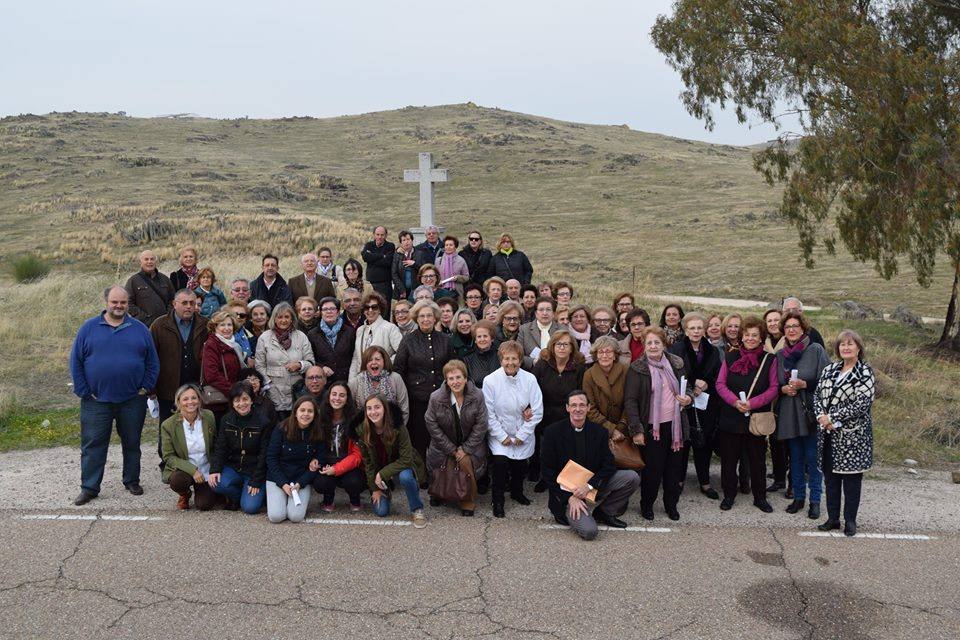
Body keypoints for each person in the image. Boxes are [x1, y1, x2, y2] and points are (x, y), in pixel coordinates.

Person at [70, 285, 159, 505]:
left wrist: (145, 387)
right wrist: (84, 391)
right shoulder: (88, 328)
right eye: (114, 302)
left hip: (131, 400)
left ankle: (131, 480)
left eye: (123, 302)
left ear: (128, 303)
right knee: (93, 445)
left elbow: (152, 362)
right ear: (106, 302)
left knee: (132, 442)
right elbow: (76, 362)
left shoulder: (139, 329)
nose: (119, 306)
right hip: (96, 401)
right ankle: (89, 487)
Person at [541, 391, 641, 538]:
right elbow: (547, 472)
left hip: (590, 486)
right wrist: (570, 497)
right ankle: (571, 511)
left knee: (632, 477)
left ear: (588, 408)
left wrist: (588, 486)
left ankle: (605, 512)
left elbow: (608, 465)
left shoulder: (599, 432)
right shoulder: (552, 432)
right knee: (589, 532)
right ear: (567, 408)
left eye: (582, 405)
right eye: (574, 405)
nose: (578, 409)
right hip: (567, 493)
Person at [624, 327, 693, 521]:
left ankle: (671, 505)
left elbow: (687, 387)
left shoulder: (676, 363)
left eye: (657, 342)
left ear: (664, 344)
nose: (653, 346)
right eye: (649, 343)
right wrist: (636, 430)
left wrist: (688, 397)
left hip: (676, 426)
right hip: (651, 428)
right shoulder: (637, 368)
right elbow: (630, 401)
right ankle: (647, 505)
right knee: (652, 471)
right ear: (644, 346)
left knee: (673, 470)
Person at [715, 316, 779, 512]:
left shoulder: (770, 359)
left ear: (761, 338)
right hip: (731, 416)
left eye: (755, 335)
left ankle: (760, 497)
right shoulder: (730, 356)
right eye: (747, 335)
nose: (750, 338)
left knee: (757, 460)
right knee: (729, 460)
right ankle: (729, 495)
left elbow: (774, 388)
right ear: (741, 336)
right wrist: (735, 402)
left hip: (755, 417)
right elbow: (720, 384)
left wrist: (751, 403)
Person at [814, 330, 874, 537]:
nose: (846, 348)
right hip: (828, 435)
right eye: (842, 345)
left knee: (851, 481)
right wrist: (822, 416)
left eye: (850, 344)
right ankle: (832, 519)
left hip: (852, 437)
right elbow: (817, 396)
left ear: (858, 347)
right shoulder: (830, 369)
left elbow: (862, 404)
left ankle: (850, 520)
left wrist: (833, 417)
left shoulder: (864, 372)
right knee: (830, 480)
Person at [776, 311, 830, 519]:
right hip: (790, 411)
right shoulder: (780, 355)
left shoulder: (815, 350)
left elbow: (827, 381)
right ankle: (798, 498)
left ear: (803, 328)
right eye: (787, 327)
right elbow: (777, 382)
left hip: (810, 411)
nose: (791, 330)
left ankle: (815, 501)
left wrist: (805, 385)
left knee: (813, 458)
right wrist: (783, 390)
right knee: (796, 458)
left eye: (795, 326)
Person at [483, 340, 543, 518]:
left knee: (519, 466)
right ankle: (498, 499)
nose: (510, 362)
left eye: (514, 358)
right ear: (501, 360)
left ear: (520, 360)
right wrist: (502, 436)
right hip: (499, 432)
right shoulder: (490, 380)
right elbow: (488, 413)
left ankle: (517, 492)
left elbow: (538, 410)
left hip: (522, 431)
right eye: (506, 359)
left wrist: (522, 435)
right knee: (500, 466)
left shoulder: (530, 379)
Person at [668, 312, 722, 499]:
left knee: (703, 444)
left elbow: (718, 375)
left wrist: (706, 383)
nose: (696, 331)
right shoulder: (676, 348)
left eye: (700, 327)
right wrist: (691, 389)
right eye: (692, 328)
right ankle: (679, 480)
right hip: (684, 403)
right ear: (686, 330)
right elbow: (673, 374)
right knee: (683, 443)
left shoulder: (713, 351)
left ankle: (705, 482)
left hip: (706, 403)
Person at [425, 360, 489, 516]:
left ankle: (467, 500)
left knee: (465, 461)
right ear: (446, 381)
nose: (455, 382)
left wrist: (465, 449)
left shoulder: (477, 395)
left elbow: (481, 425)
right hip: (443, 445)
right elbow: (431, 423)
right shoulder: (435, 398)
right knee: (442, 465)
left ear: (465, 378)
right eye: (451, 378)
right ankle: (438, 493)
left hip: (469, 445)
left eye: (458, 377)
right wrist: (451, 449)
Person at [355, 394, 427, 527]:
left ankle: (417, 509)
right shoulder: (362, 430)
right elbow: (368, 464)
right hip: (379, 471)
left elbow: (406, 459)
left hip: (401, 466)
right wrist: (374, 488)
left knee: (406, 477)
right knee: (381, 512)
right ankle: (385, 491)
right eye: (369, 409)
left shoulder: (398, 426)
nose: (373, 412)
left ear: (385, 409)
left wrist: (382, 474)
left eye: (377, 407)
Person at [393, 300, 451, 460]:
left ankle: (441, 474)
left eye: (429, 316)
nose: (425, 319)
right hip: (417, 399)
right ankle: (421, 474)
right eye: (422, 316)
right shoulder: (408, 340)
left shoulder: (445, 340)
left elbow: (452, 367)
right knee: (419, 438)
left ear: (435, 318)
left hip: (441, 398)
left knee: (441, 436)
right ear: (416, 319)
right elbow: (398, 369)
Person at [529, 330, 586, 491]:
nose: (561, 347)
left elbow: (581, 393)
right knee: (546, 448)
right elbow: (532, 389)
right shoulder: (543, 364)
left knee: (565, 448)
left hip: (568, 415)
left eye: (565, 344)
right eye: (558, 344)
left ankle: (564, 478)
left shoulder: (579, 368)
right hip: (544, 413)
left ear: (571, 348)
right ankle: (546, 478)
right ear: (552, 347)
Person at [149, 289, 207, 441]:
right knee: (168, 427)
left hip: (196, 386)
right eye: (184, 303)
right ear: (174, 304)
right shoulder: (159, 325)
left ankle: (194, 462)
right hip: (168, 387)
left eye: (192, 303)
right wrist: (152, 387)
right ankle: (167, 462)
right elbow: (150, 357)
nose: (189, 307)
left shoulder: (205, 324)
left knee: (196, 427)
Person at [208, 381, 273, 514]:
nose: (241, 404)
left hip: (254, 470)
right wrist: (215, 469)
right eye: (237, 400)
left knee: (250, 508)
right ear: (232, 403)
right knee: (215, 483)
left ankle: (256, 492)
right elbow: (221, 447)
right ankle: (239, 495)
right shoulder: (226, 420)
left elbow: (264, 454)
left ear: (252, 400)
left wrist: (256, 480)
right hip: (234, 467)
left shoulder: (263, 422)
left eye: (245, 399)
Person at [160, 383, 218, 510]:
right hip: (185, 470)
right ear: (178, 402)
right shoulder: (168, 425)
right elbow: (168, 457)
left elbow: (216, 445)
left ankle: (205, 490)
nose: (190, 402)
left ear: (199, 399)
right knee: (177, 481)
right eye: (185, 399)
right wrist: (193, 470)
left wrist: (215, 469)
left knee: (205, 505)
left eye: (194, 398)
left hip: (206, 468)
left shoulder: (209, 416)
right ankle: (185, 494)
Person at [309, 382, 364, 512]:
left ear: (347, 399)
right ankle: (328, 500)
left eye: (342, 395)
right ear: (328, 397)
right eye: (334, 394)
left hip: (349, 463)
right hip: (326, 462)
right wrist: (314, 459)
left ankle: (355, 499)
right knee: (321, 483)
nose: (337, 398)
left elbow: (357, 455)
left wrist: (337, 469)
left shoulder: (356, 420)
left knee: (355, 482)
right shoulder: (319, 417)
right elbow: (313, 444)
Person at [265, 395, 321, 523]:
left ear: (315, 414)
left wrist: (301, 483)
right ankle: (279, 498)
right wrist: (283, 484)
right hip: (278, 477)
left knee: (296, 517)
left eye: (310, 411)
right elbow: (271, 458)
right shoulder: (281, 428)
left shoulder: (317, 431)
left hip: (300, 479)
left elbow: (320, 459)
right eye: (302, 410)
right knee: (276, 516)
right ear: (295, 412)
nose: (306, 414)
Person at [254, 302, 315, 417]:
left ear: (292, 319)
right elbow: (259, 366)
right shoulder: (265, 338)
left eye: (287, 317)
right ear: (274, 319)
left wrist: (299, 365)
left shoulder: (301, 336)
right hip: (273, 390)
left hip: (297, 389)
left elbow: (311, 362)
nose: (283, 320)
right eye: (280, 317)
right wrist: (269, 384)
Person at [201, 309, 245, 421]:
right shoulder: (211, 345)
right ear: (215, 327)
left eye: (229, 324)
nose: (226, 328)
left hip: (233, 400)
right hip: (218, 403)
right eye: (222, 325)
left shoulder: (234, 345)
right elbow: (212, 375)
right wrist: (233, 391)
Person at [349, 345, 410, 425]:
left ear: (384, 361)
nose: (374, 362)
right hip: (364, 430)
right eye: (369, 360)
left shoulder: (395, 378)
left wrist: (397, 430)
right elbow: (349, 409)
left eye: (377, 359)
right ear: (365, 363)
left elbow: (404, 408)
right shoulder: (356, 381)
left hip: (391, 429)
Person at [582, 336, 629, 440]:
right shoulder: (588, 375)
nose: (604, 355)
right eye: (600, 352)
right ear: (596, 355)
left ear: (614, 355)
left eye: (608, 352)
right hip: (598, 428)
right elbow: (590, 408)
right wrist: (611, 430)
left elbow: (630, 402)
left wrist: (621, 427)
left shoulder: (625, 371)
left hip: (624, 429)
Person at [348, 292, 403, 379]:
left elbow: (401, 353)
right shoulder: (360, 330)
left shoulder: (390, 328)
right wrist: (351, 381)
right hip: (362, 379)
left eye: (374, 307)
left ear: (380, 309)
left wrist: (383, 366)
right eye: (367, 308)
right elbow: (356, 359)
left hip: (383, 378)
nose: (370, 311)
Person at [307, 297, 355, 384]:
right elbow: (311, 358)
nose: (329, 312)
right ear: (321, 312)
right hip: (322, 381)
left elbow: (354, 356)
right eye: (325, 309)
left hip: (345, 380)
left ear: (338, 312)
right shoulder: (312, 334)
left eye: (332, 309)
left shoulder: (350, 332)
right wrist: (321, 367)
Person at [125, 249, 175, 329]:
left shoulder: (165, 279)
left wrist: (168, 316)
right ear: (141, 262)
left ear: (156, 261)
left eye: (152, 259)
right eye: (146, 259)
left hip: (165, 325)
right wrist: (144, 317)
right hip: (143, 326)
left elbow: (173, 299)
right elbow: (127, 303)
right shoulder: (133, 281)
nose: (149, 262)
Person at [362, 225, 397, 310]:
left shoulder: (390, 246)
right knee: (370, 309)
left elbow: (387, 262)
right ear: (374, 235)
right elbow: (365, 257)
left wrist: (372, 259)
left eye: (382, 235)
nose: (380, 237)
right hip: (370, 284)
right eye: (377, 234)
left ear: (386, 235)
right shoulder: (369, 245)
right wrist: (382, 255)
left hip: (384, 285)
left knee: (384, 309)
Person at [463, 320, 499, 389]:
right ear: (475, 340)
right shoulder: (467, 359)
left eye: (485, 336)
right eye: (479, 337)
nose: (482, 339)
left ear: (492, 338)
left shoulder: (500, 356)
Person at [224, 300, 255, 366]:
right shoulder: (222, 335)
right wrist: (246, 360)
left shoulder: (250, 335)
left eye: (242, 315)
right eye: (234, 314)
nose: (238, 317)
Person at [392, 230, 419, 301]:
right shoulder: (397, 255)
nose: (406, 242)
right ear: (400, 243)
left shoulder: (419, 253)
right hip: (401, 292)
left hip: (416, 291)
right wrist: (402, 290)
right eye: (404, 240)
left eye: (408, 239)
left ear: (412, 240)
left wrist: (414, 264)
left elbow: (424, 269)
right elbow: (394, 273)